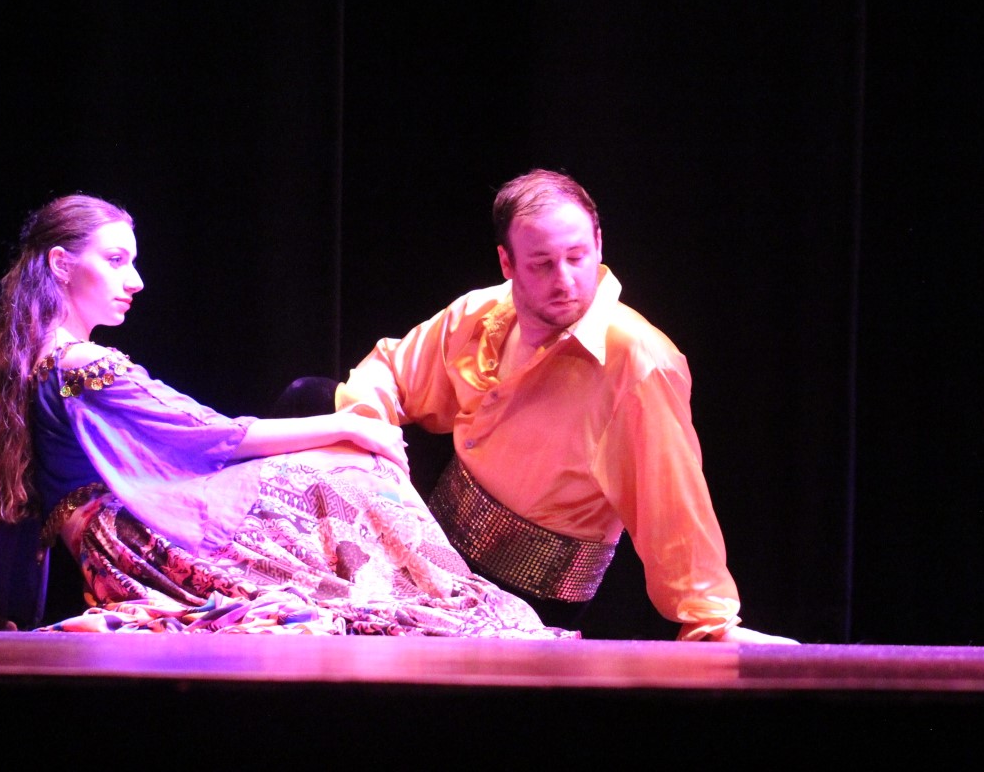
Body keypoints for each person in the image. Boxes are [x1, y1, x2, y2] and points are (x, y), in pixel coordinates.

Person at [0, 193, 570, 638]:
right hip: (149, 540)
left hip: (123, 544)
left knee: (346, 464)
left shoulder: (25, 367)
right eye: (115, 261)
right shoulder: (81, 366)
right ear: (61, 264)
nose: (135, 280)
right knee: (354, 468)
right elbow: (209, 435)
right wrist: (348, 425)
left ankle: (437, 596)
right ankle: (453, 601)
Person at [332, 170, 794, 643]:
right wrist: (366, 432)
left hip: (526, 594)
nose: (565, 281)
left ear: (599, 243)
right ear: (508, 262)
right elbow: (389, 369)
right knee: (314, 404)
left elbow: (673, 500)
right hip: (429, 546)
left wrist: (710, 624)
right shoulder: (484, 313)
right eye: (542, 264)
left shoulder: (638, 361)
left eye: (577, 257)